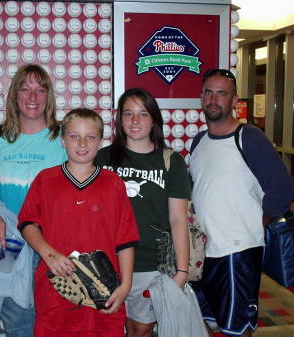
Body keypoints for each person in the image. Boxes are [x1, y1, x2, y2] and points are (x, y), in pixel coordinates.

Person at [189, 68, 294, 337]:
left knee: (238, 328)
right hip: (205, 253)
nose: (213, 99)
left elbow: (282, 190)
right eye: (208, 93)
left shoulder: (248, 137)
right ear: (201, 97)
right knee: (209, 320)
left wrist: (255, 226)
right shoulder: (199, 141)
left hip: (237, 254)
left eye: (221, 94)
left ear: (234, 101)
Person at [17, 108, 140, 337]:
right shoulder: (46, 180)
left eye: (90, 137)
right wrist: (49, 254)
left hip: (103, 293)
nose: (82, 143)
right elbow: (27, 223)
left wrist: (126, 286)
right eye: (74, 136)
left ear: (100, 142)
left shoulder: (112, 184)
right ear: (63, 140)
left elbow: (126, 240)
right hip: (56, 293)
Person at [0, 64, 67, 337]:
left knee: (53, 317)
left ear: (48, 96)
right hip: (8, 243)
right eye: (25, 88)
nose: (32, 96)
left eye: (40, 89)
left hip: (52, 242)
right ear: (14, 95)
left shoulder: (63, 138)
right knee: (16, 320)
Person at [95, 88, 191, 337]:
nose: (135, 121)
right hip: (108, 263)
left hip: (151, 264)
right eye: (128, 114)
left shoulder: (171, 161)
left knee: (140, 330)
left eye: (143, 114)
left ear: (154, 120)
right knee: (109, 329)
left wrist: (181, 272)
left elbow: (179, 219)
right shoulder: (101, 159)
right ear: (119, 119)